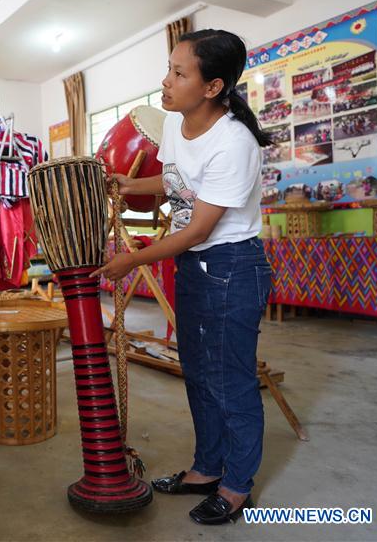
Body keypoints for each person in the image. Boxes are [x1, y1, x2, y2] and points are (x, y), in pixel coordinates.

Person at [92, 29, 273, 526]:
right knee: (198, 373)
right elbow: (179, 183)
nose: (165, 82)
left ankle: (236, 485)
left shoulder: (234, 143)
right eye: (168, 68)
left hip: (232, 268)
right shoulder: (177, 123)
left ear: (213, 87)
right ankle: (204, 469)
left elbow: (197, 227)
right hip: (196, 267)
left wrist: (134, 260)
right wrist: (131, 182)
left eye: (178, 73)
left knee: (230, 381)